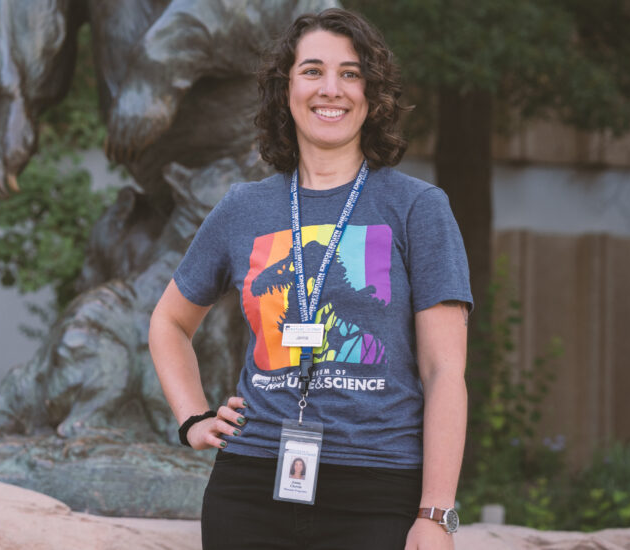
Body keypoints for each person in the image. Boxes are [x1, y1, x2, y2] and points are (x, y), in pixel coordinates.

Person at [149, 7, 471, 550]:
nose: (331, 89)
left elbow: (444, 372)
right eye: (313, 71)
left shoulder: (417, 207)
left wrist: (436, 513)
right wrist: (192, 419)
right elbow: (169, 323)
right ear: (286, 88)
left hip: (376, 490)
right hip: (249, 486)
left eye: (350, 73)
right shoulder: (243, 208)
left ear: (372, 93)